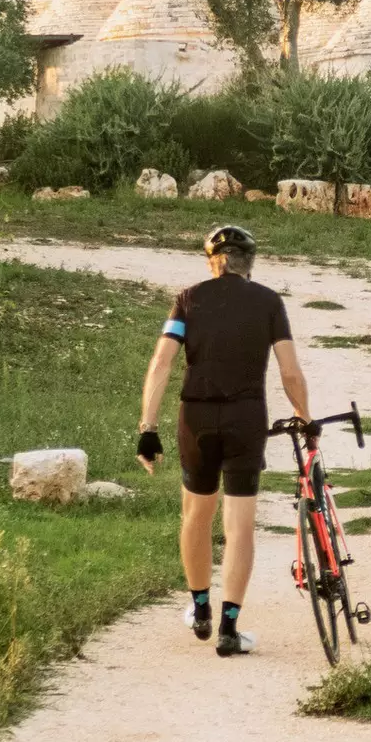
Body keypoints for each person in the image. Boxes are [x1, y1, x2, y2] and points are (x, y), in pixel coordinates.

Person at [136, 224, 312, 657]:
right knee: (239, 527)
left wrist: (148, 428)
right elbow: (289, 371)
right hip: (245, 418)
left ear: (210, 261)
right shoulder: (269, 302)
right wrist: (304, 417)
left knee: (196, 516)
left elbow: (161, 363)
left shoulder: (188, 299)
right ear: (250, 263)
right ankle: (230, 628)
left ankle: (200, 609)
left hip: (195, 418)